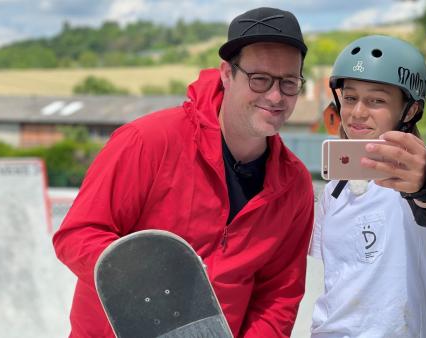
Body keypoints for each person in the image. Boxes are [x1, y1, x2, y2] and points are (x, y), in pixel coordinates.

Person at [52, 7, 314, 338]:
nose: (275, 96)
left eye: (289, 82)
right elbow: (77, 234)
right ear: (226, 74)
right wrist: (143, 281)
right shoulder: (149, 141)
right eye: (259, 79)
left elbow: (279, 295)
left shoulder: (294, 185)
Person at [309, 35, 426, 338]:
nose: (357, 112)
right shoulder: (334, 190)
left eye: (377, 100)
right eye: (350, 97)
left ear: (408, 111)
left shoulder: (413, 179)